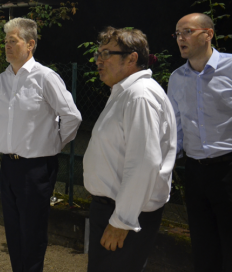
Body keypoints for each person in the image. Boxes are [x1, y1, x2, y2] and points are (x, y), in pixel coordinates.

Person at [0, 18, 82, 272]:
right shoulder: (0, 82)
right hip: (9, 169)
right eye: (5, 41)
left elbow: (72, 116)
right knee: (13, 233)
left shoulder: (45, 77)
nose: (7, 46)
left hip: (37, 169)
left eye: (12, 41)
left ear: (30, 44)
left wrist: (54, 143)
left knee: (33, 234)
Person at [83, 27, 177, 271]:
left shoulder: (139, 96)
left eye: (107, 53)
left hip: (124, 214)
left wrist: (122, 221)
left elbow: (144, 163)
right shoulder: (123, 92)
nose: (99, 60)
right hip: (114, 209)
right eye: (98, 53)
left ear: (132, 58)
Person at [168, 13, 232, 271]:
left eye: (187, 32)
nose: (180, 38)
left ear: (208, 34)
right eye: (177, 34)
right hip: (194, 172)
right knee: (203, 248)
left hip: (228, 169)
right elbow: (176, 128)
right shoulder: (176, 78)